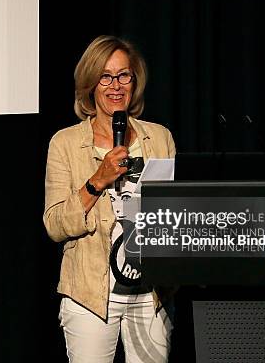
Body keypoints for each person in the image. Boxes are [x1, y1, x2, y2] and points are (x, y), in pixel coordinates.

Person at [43, 35, 176, 362]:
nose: (115, 85)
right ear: (90, 83)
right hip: (90, 295)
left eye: (124, 75)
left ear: (135, 81)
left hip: (151, 295)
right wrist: (97, 181)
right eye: (105, 76)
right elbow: (55, 225)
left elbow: (173, 216)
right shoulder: (66, 144)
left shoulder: (158, 138)